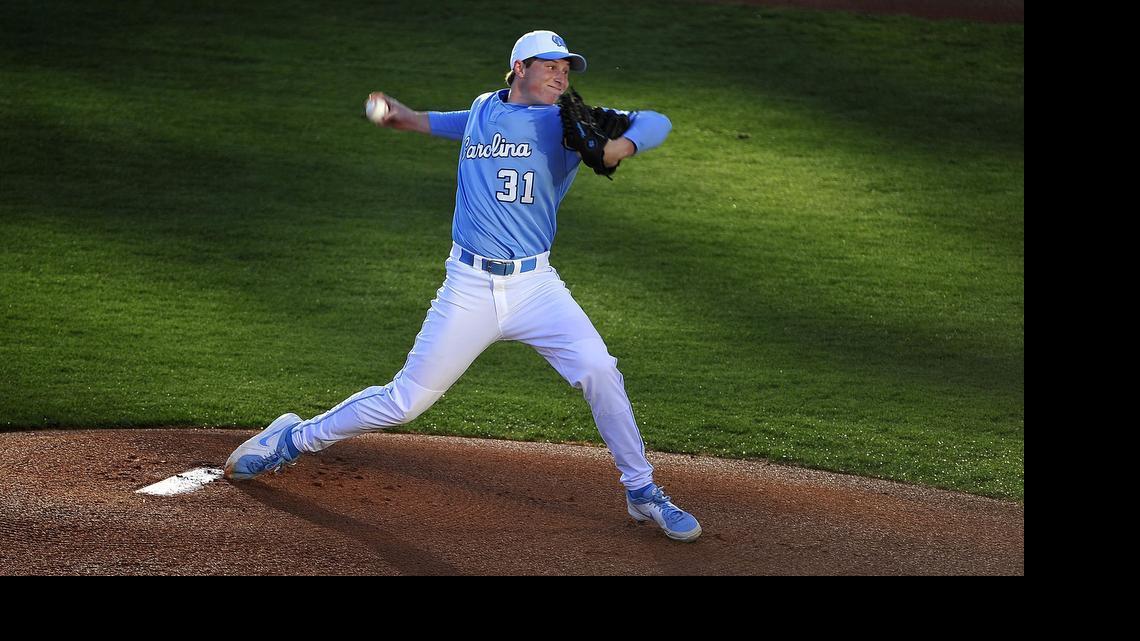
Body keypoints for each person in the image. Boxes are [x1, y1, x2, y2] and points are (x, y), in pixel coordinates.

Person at [224, 30, 701, 542]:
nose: (562, 75)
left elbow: (658, 120)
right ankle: (291, 440)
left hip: (536, 287)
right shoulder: (483, 109)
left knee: (599, 371)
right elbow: (460, 125)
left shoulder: (567, 123)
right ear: (519, 68)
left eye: (567, 68)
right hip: (469, 287)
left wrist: (621, 145)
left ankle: (642, 491)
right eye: (550, 66)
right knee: (405, 402)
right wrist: (405, 118)